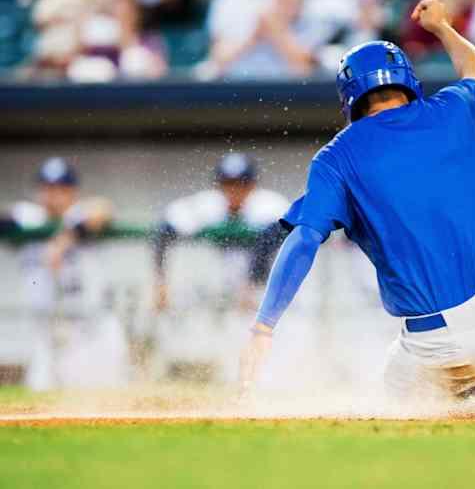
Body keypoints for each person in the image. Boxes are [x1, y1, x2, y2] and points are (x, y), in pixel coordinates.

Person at [239, 0, 475, 402]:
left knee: (401, 392)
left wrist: (263, 326)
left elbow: (304, 239)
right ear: (408, 80)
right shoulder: (453, 108)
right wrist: (441, 27)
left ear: (350, 98)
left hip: (441, 344)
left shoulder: (337, 156)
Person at [0, 157, 122, 390]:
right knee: (41, 397)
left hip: (91, 326)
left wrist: (64, 239)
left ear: (72, 191)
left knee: (103, 396)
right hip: (47, 328)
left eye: (61, 188)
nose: (53, 195)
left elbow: (103, 208)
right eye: (47, 188)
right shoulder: (29, 217)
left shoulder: (79, 214)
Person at [152, 153, 290, 313]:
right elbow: (165, 229)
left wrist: (252, 285)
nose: (234, 190)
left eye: (242, 183)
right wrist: (161, 283)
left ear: (252, 185)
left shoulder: (270, 204)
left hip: (272, 290)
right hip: (224, 287)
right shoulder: (208, 204)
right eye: (228, 183)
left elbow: (282, 234)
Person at [204, 0, 315, 79]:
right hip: (239, 82)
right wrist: (255, 35)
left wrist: (276, 31)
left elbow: (306, 67)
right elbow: (218, 59)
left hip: (286, 83)